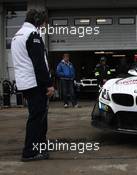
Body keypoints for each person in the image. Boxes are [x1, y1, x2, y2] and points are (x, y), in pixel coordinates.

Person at [11, 9, 54, 161]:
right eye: (43, 23)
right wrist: (48, 84)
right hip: (35, 83)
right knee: (37, 118)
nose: (43, 26)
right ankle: (30, 152)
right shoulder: (32, 35)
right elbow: (39, 64)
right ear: (37, 21)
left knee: (38, 116)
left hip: (25, 82)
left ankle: (40, 146)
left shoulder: (17, 35)